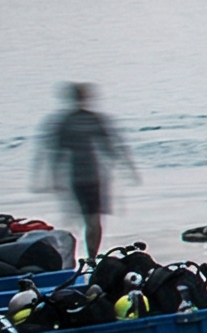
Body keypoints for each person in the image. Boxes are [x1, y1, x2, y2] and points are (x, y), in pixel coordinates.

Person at [35, 83, 137, 262]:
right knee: (92, 219)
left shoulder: (64, 122)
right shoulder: (95, 119)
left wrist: (50, 179)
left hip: (77, 177)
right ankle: (90, 256)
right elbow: (112, 148)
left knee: (79, 218)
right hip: (93, 176)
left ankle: (78, 257)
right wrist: (128, 169)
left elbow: (54, 154)